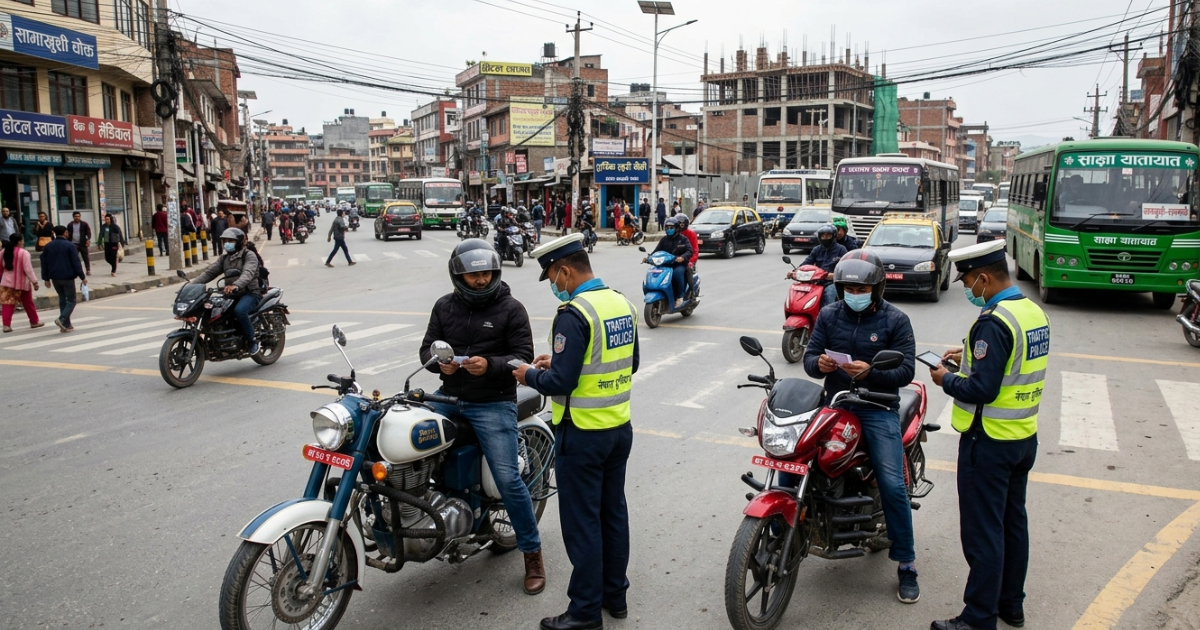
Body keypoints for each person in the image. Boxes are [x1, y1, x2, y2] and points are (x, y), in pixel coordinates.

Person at [513, 233, 640, 630]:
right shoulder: (621, 302)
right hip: (618, 427)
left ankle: (584, 612)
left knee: (582, 523)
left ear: (565, 271)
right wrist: (565, 362)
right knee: (612, 512)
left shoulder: (573, 313)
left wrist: (530, 373)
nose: (555, 285)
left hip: (582, 434)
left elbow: (560, 384)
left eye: (553, 276)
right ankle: (614, 596)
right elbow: (628, 362)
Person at [928, 240, 1049, 630]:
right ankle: (1011, 605)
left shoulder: (994, 321)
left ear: (983, 278)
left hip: (989, 441)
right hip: (1022, 437)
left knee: (984, 535)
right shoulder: (1031, 312)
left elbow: (982, 390)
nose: (966, 288)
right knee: (1013, 523)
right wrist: (968, 357)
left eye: (967, 280)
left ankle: (978, 618)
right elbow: (1013, 364)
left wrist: (946, 378)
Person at [418, 239, 545, 595]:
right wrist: (437, 359)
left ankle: (532, 554)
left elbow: (522, 357)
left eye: (486, 273)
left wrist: (490, 366)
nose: (481, 280)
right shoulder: (444, 307)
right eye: (474, 274)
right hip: (447, 397)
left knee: (508, 478)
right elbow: (427, 346)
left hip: (493, 401)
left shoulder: (511, 308)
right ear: (459, 275)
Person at [800, 249, 921, 605]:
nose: (853, 293)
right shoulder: (828, 314)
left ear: (876, 289)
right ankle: (785, 525)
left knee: (893, 483)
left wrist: (872, 372)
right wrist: (819, 364)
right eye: (847, 287)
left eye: (860, 288)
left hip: (877, 408)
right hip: (835, 405)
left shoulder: (896, 321)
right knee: (795, 458)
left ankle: (907, 564)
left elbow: (906, 372)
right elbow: (809, 358)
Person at [191, 227, 262, 354]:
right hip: (230, 293)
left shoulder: (249, 255)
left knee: (240, 311)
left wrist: (236, 285)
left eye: (231, 241)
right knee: (210, 309)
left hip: (249, 293)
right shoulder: (224, 259)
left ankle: (252, 340)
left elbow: (248, 274)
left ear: (239, 242)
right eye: (225, 241)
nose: (227, 244)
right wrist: (191, 284)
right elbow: (209, 273)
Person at [41, 225, 87, 333]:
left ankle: (66, 324)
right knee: (71, 300)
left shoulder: (48, 246)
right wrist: (82, 277)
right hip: (67, 277)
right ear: (65, 233)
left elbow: (44, 263)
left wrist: (46, 278)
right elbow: (76, 263)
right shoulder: (70, 245)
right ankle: (62, 319)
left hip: (55, 277)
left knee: (62, 299)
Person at [646, 216, 692, 308]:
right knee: (654, 273)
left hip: (678, 265)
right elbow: (656, 251)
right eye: (667, 228)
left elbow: (689, 251)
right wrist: (648, 258)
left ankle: (679, 296)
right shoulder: (664, 240)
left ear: (677, 228)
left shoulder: (683, 239)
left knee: (677, 274)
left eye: (671, 228)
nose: (669, 230)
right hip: (665, 264)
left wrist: (682, 257)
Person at [1, 233, 42, 332]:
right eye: (22, 240)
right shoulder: (24, 253)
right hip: (22, 283)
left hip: (6, 282)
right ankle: (34, 322)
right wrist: (35, 282)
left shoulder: (3, 252)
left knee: (7, 304)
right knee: (28, 303)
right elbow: (28, 269)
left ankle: (6, 325)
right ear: (19, 241)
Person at [678, 215, 699, 296]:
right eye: (678, 224)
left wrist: (691, 261)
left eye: (682, 224)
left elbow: (695, 250)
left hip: (688, 260)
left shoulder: (691, 234)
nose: (680, 226)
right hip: (675, 259)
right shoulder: (674, 234)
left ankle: (691, 292)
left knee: (687, 270)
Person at [67, 211, 92, 276]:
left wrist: (88, 240)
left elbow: (88, 233)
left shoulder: (84, 224)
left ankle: (88, 269)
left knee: (85, 257)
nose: (77, 218)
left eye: (78, 216)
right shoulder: (70, 224)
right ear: (73, 217)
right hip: (73, 244)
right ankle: (75, 270)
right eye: (75, 216)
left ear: (80, 217)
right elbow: (67, 234)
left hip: (83, 243)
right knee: (74, 257)